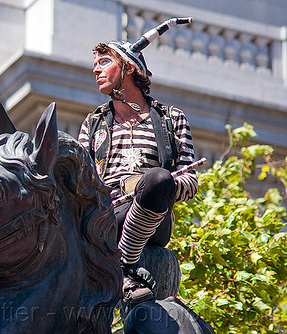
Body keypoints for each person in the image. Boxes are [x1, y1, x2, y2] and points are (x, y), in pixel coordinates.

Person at [78, 18, 198, 306]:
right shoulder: (93, 123)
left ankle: (124, 266)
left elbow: (191, 181)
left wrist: (160, 185)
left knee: (157, 178)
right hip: (105, 213)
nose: (96, 69)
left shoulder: (171, 118)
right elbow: (79, 182)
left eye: (105, 62)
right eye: (96, 63)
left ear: (129, 68)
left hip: (151, 217)